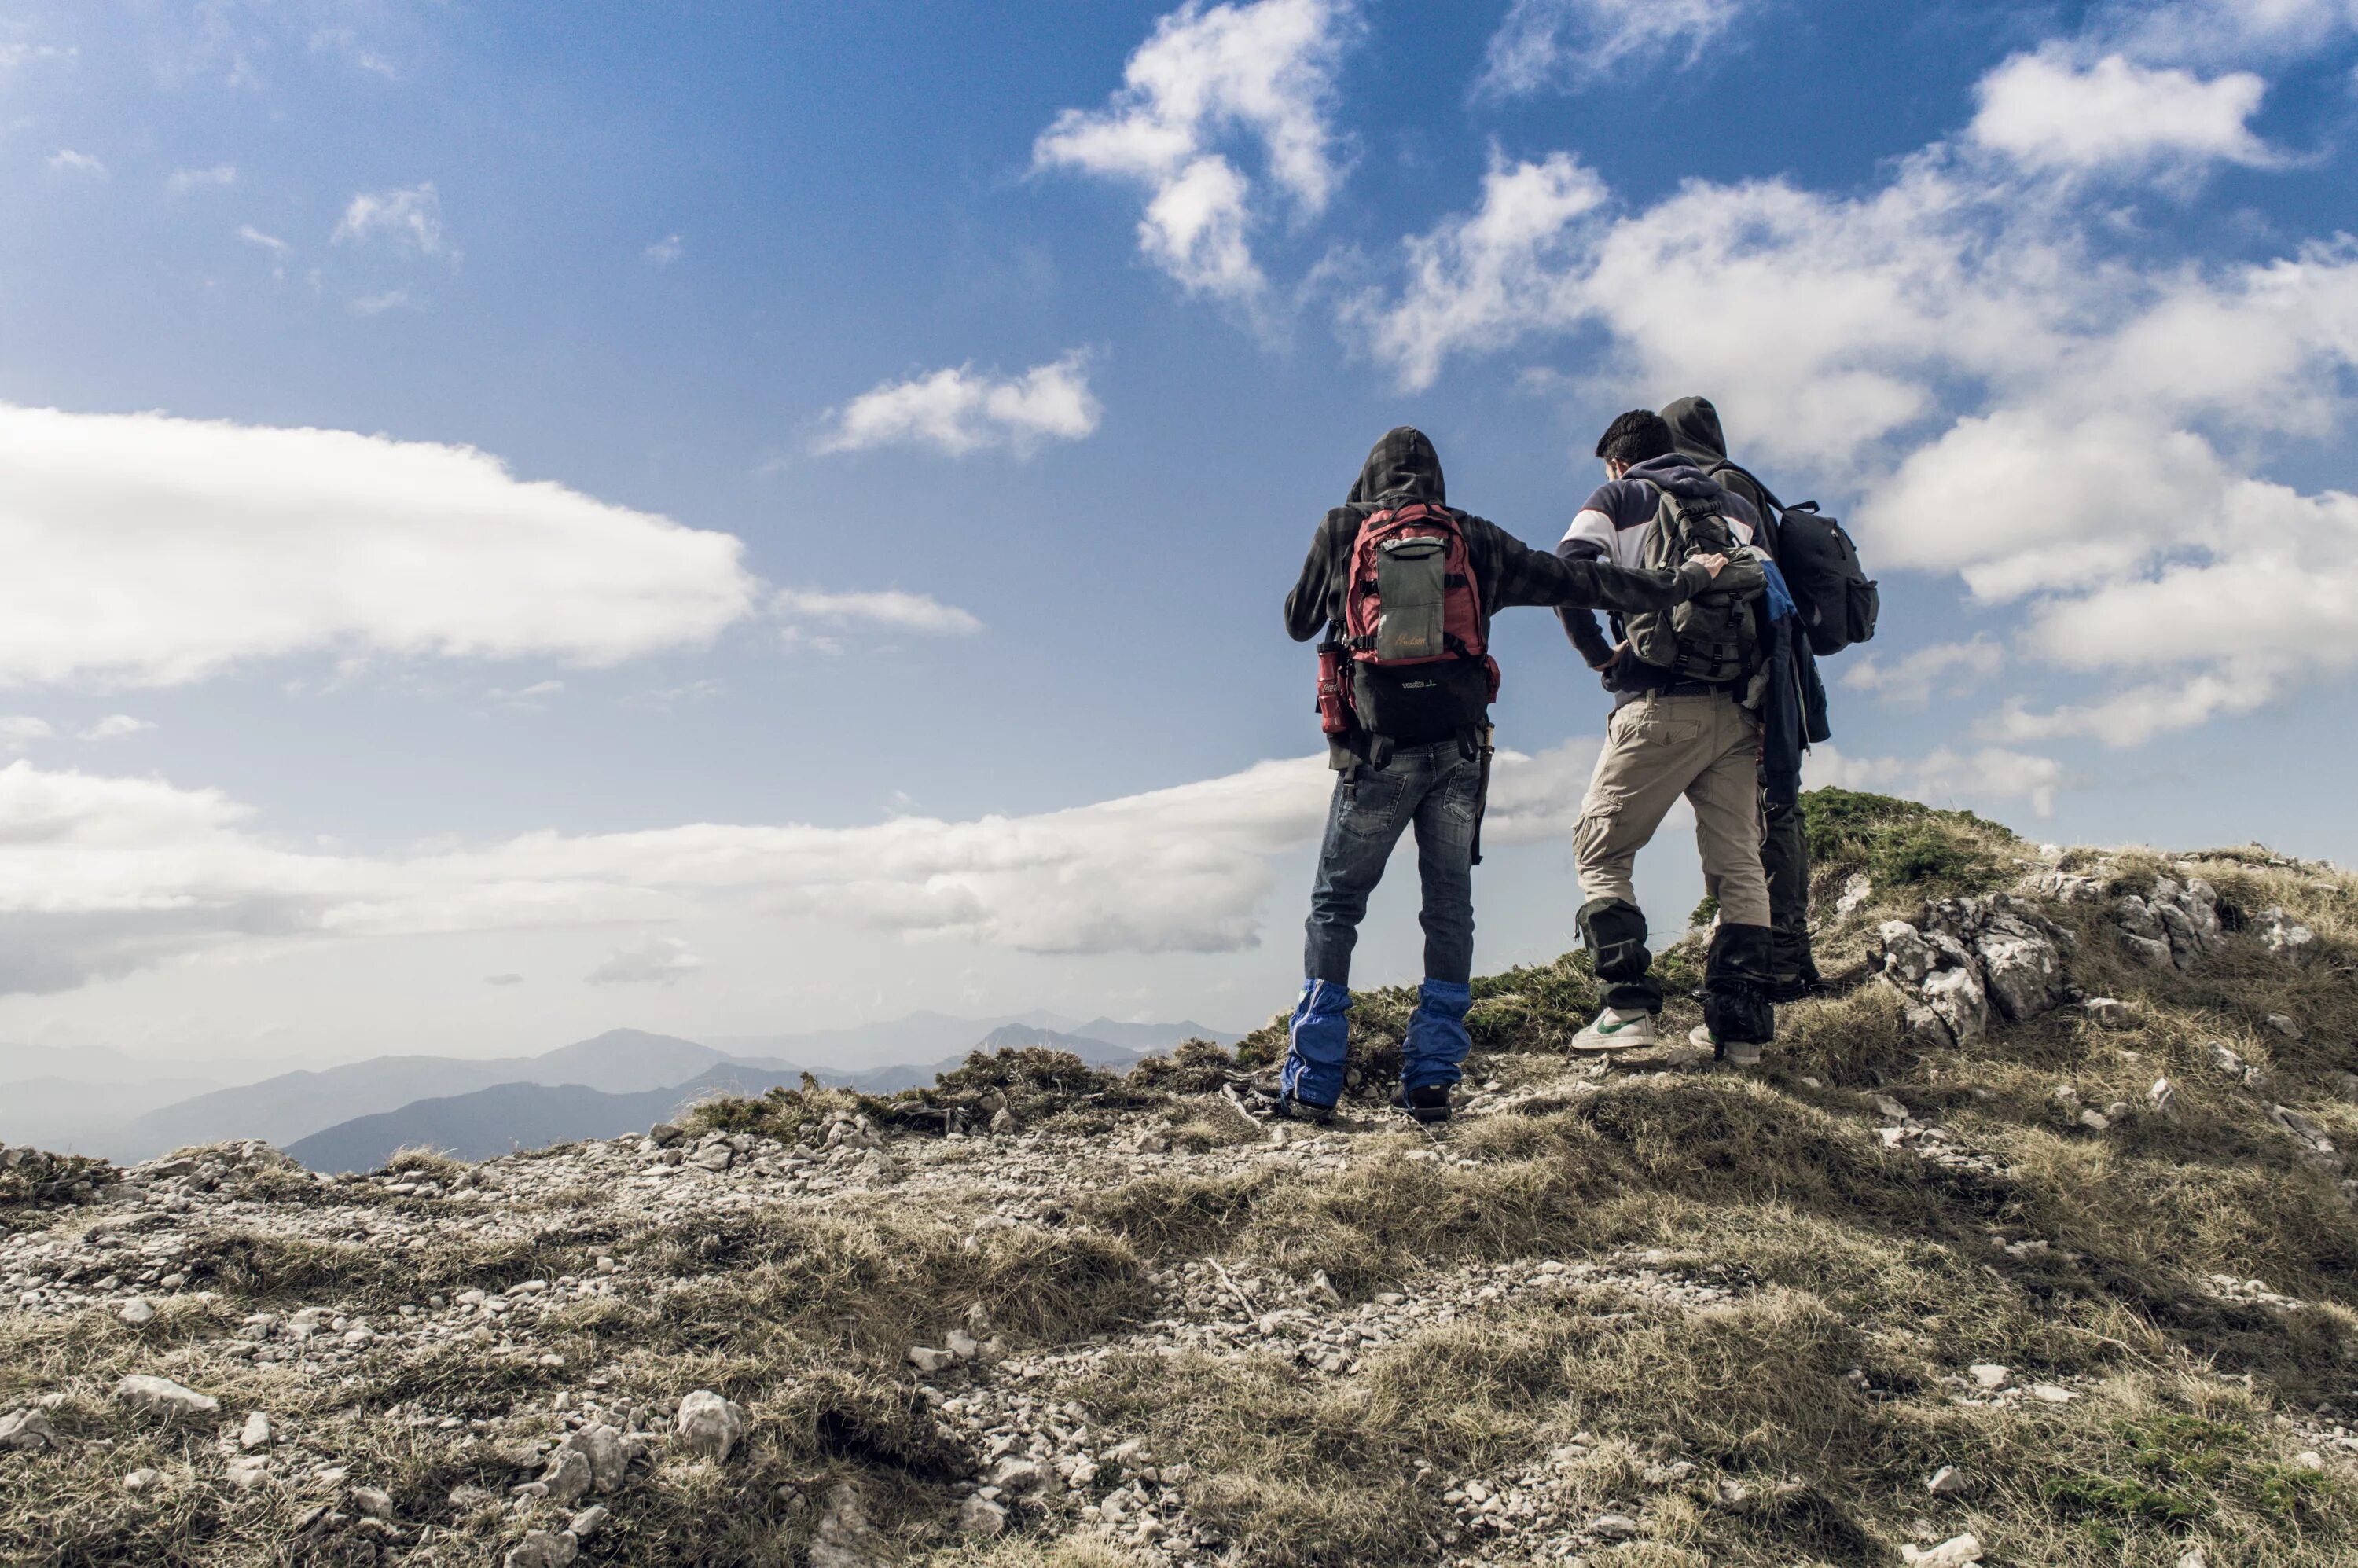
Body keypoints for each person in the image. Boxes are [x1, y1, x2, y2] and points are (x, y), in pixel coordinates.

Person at [1277, 426, 1724, 1125]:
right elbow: (1581, 578)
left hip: (1376, 753)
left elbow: (1298, 622)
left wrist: (1345, 547)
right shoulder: (1472, 536)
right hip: (1458, 755)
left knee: (1336, 905)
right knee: (1448, 907)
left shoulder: (1346, 527)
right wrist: (1686, 581)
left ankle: (1312, 1081)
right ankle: (1431, 1080)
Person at [1555, 409, 1778, 1064]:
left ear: (1619, 462)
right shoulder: (1736, 506)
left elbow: (1569, 573)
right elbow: (1771, 603)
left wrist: (1603, 656)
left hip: (1657, 704)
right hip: (1737, 711)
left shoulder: (1618, 496)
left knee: (1600, 849)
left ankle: (1626, 1009)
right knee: (1738, 863)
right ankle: (1739, 1034)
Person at [1661, 395, 1831, 1002]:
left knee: (1767, 812)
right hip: (1778, 671)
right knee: (1769, 809)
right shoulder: (1743, 482)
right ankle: (1783, 955)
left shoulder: (1714, 488)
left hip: (1756, 680)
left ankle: (1778, 962)